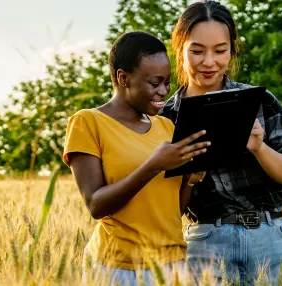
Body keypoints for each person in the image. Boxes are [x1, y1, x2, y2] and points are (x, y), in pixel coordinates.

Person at [159, 1, 282, 285]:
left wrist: (259, 148)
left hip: (269, 238)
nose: (209, 62)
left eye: (220, 50)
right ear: (179, 48)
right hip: (206, 242)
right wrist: (187, 180)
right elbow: (165, 209)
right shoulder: (165, 118)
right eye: (197, 50)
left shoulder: (260, 101)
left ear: (232, 49)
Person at [63, 31, 211, 286]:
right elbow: (96, 205)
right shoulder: (88, 122)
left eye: (167, 82)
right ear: (123, 78)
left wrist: (190, 179)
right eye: (155, 83)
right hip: (117, 269)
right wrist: (153, 165)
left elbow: (171, 210)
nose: (164, 91)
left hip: (173, 265)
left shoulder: (166, 127)